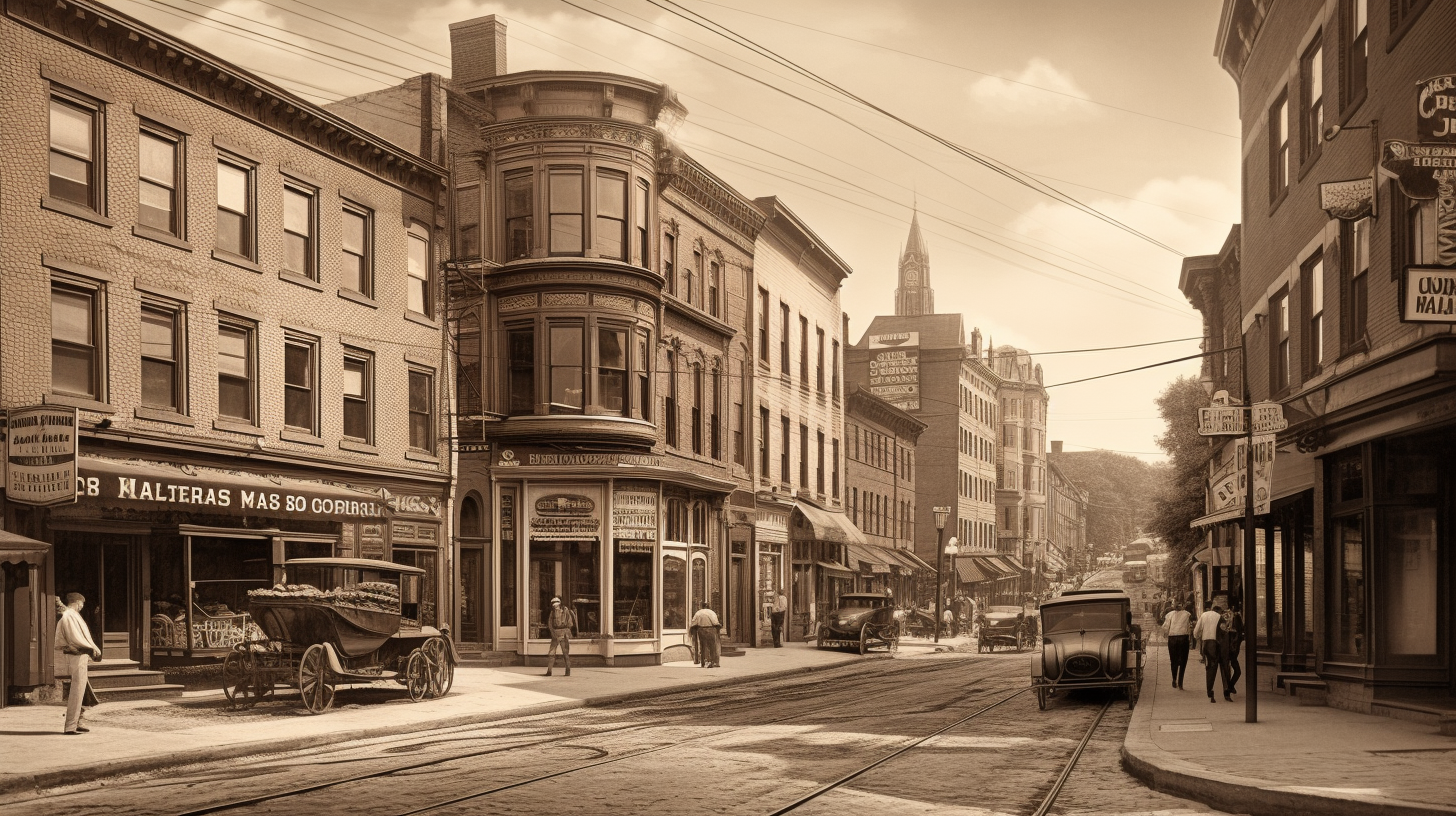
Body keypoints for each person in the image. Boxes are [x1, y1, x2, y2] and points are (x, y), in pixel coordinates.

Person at [56, 592, 101, 735]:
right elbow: (75, 638)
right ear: (77, 602)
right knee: (77, 690)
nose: (82, 606)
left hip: (79, 655)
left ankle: (78, 721)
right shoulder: (69, 616)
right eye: (81, 603)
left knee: (84, 691)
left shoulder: (72, 615)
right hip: (75, 655)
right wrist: (93, 648)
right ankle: (70, 726)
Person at [1193, 600, 1232, 703]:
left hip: (1207, 644)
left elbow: (1196, 632)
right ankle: (1226, 692)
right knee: (1224, 668)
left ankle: (1210, 692)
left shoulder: (1204, 615)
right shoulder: (1221, 617)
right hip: (1219, 645)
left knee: (1210, 668)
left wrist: (1198, 637)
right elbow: (1224, 631)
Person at [1162, 601, 1192, 690]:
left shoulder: (1169, 615)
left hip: (1172, 638)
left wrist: (1166, 634)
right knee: (1183, 661)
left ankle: (1174, 679)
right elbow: (1189, 627)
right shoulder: (1187, 614)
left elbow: (1165, 627)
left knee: (1173, 660)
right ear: (1182, 606)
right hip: (1183, 638)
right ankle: (1180, 682)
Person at [542, 597, 577, 677]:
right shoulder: (553, 612)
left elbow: (569, 623)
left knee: (564, 653)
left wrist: (565, 631)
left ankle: (566, 670)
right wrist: (553, 632)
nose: (555, 606)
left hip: (563, 634)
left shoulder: (565, 611)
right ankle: (549, 671)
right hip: (556, 634)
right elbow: (550, 623)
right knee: (552, 653)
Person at [1221, 602, 1245, 696]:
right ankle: (1229, 687)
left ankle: (1229, 687)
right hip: (1232, 651)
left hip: (1227, 650)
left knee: (1230, 670)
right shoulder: (1235, 619)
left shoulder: (1225, 618)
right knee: (1237, 671)